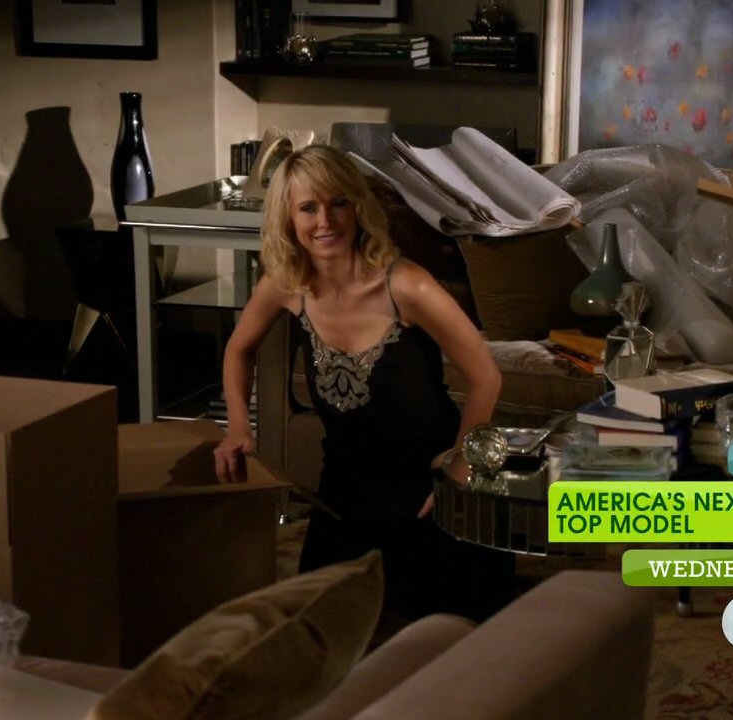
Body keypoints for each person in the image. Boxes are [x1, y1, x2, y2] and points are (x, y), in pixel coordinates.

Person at [213, 144, 510, 620]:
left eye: (338, 203)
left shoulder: (407, 284)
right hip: (346, 487)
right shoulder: (286, 285)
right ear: (287, 218)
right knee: (320, 617)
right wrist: (236, 426)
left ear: (358, 208)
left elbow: (486, 377)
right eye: (308, 208)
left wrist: (460, 469)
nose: (325, 221)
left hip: (427, 485)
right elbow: (238, 349)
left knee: (443, 623)